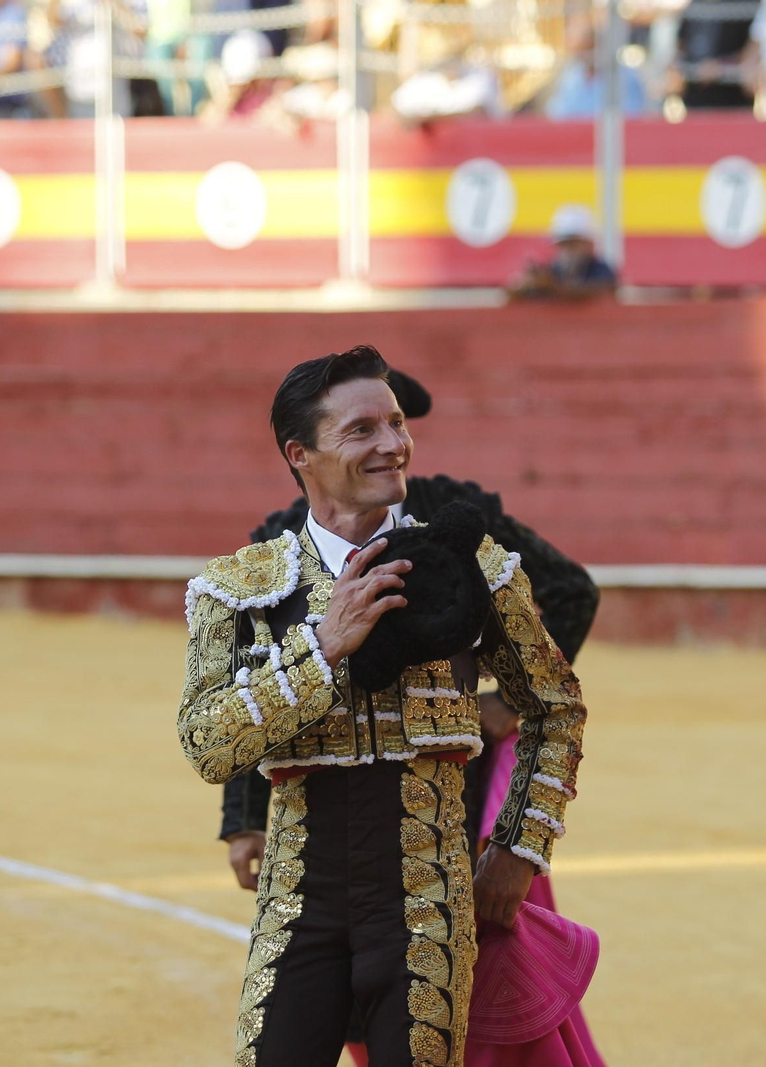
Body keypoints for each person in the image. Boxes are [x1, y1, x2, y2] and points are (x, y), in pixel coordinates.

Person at [177, 346, 589, 1066]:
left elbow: (555, 707)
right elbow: (209, 743)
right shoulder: (241, 586)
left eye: (396, 424)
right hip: (299, 908)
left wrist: (519, 848)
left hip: (428, 907)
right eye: (363, 429)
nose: (393, 444)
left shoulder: (475, 565)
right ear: (300, 453)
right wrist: (324, 646)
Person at [507, 205, 618, 302]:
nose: (568, 249)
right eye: (563, 244)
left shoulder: (601, 269)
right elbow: (512, 293)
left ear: (588, 244)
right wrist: (525, 286)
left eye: (573, 243)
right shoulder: (552, 270)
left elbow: (601, 290)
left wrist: (551, 286)